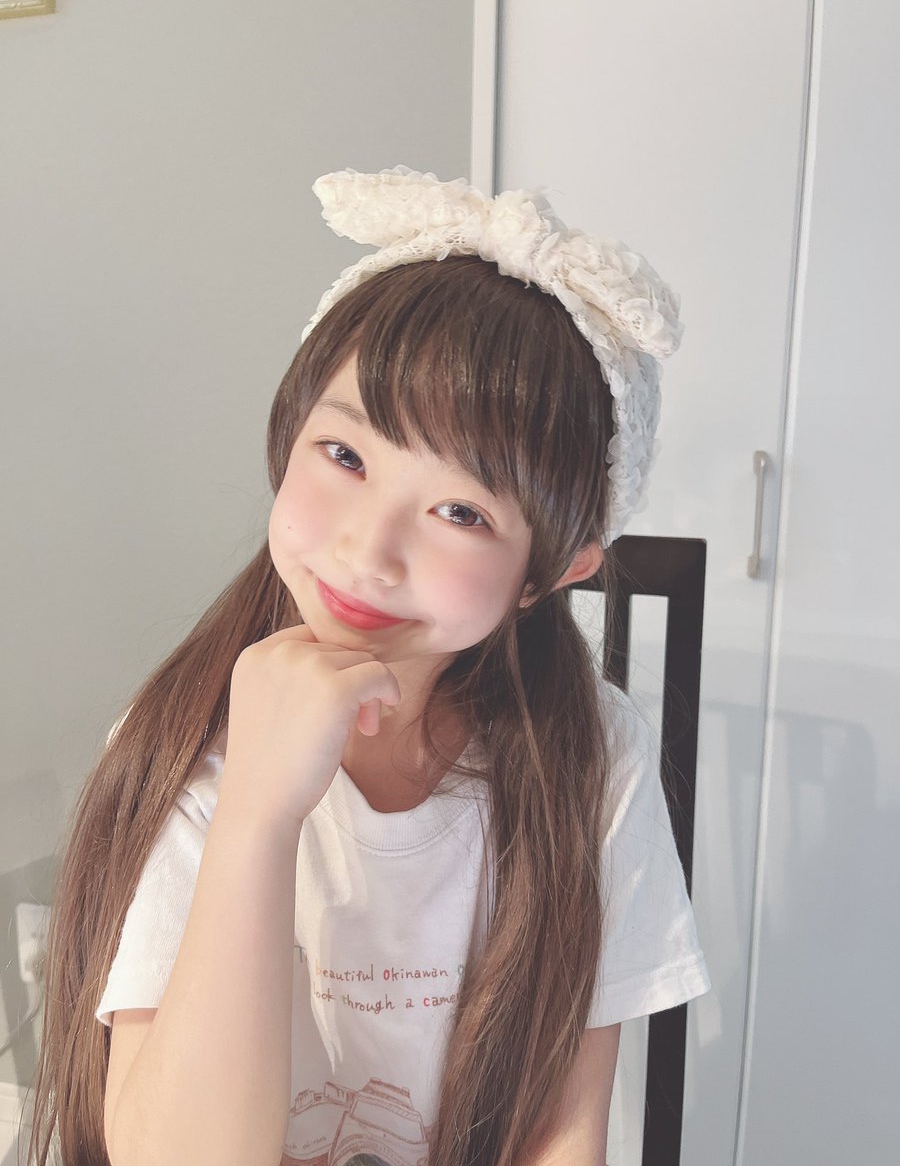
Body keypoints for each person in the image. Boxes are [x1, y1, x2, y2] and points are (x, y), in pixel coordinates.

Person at [28, 166, 711, 1166]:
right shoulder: (184, 738)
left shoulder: (590, 756)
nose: (367, 549)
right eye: (345, 456)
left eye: (461, 511)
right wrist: (259, 813)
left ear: (555, 572)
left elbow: (564, 1131)